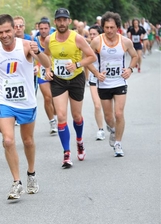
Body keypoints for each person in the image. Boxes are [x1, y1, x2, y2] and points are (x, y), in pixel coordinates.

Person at [0, 14, 51, 200]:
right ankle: (17, 182)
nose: (4, 35)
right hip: (5, 100)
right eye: (0, 32)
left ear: (15, 29)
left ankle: (31, 173)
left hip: (26, 101)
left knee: (28, 141)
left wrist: (37, 52)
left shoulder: (26, 46)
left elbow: (47, 64)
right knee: (8, 141)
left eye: (8, 31)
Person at [43, 8, 97, 168]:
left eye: (64, 20)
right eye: (58, 20)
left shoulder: (77, 38)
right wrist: (47, 69)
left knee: (77, 116)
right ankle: (66, 153)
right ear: (55, 22)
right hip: (58, 80)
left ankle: (79, 141)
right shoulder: (49, 39)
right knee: (61, 116)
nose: (61, 23)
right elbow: (46, 55)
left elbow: (92, 56)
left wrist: (77, 64)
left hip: (76, 79)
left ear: (68, 21)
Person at [88, 11, 138, 157]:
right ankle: (113, 130)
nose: (109, 30)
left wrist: (129, 69)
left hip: (119, 82)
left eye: (112, 27)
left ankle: (118, 143)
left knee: (119, 113)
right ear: (103, 27)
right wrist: (96, 74)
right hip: (104, 84)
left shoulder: (125, 41)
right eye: (106, 27)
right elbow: (87, 59)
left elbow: (134, 56)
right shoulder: (97, 41)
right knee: (109, 118)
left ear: (117, 27)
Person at [34, 17, 58, 135]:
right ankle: (52, 122)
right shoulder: (35, 40)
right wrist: (37, 66)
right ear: (38, 28)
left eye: (45, 28)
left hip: (55, 70)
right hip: (42, 72)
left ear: (50, 28)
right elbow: (35, 56)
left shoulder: (54, 38)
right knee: (47, 97)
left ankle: (57, 115)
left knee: (55, 99)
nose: (43, 31)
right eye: (41, 28)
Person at [87, 25, 106, 141]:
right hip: (94, 78)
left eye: (94, 34)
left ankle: (110, 122)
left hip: (106, 79)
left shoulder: (106, 45)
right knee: (97, 104)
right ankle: (100, 129)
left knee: (107, 107)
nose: (92, 36)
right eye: (90, 34)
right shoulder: (88, 47)